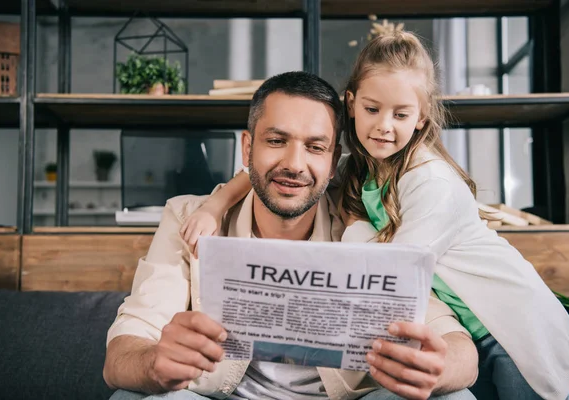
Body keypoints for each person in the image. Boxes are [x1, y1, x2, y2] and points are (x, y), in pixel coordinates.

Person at [180, 31, 569, 400]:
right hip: (469, 329)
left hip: (511, 331)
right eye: (373, 109)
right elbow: (273, 171)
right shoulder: (364, 167)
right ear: (351, 103)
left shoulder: (431, 183)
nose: (384, 127)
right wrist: (216, 205)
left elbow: (394, 276)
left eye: (401, 115)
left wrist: (348, 228)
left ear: (422, 118)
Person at [103, 71, 479, 400]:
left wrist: (437, 367)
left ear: (334, 163)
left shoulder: (368, 225)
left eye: (315, 147)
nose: (295, 165)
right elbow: (122, 353)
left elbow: (459, 348)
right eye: (277, 141)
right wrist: (155, 362)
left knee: (455, 396)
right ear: (247, 148)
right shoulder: (187, 215)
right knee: (133, 396)